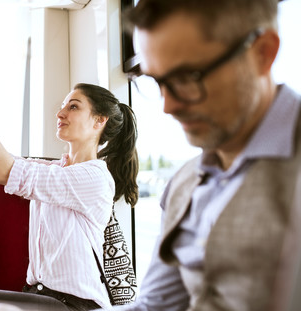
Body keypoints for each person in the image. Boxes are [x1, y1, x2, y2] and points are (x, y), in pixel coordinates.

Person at [117, 0, 301, 310]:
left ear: (263, 53)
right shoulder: (183, 184)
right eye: (156, 81)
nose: (168, 106)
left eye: (188, 78)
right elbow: (156, 306)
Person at [0, 48, 139, 310]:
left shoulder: (94, 177)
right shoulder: (55, 170)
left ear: (100, 120)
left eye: (73, 106)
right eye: (63, 106)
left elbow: (1, 170)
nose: (60, 113)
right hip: (40, 297)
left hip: (73, 304)